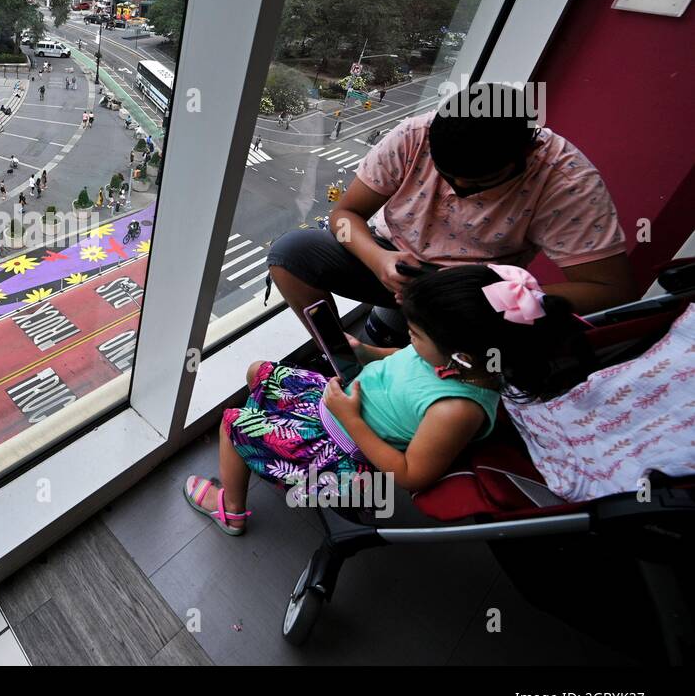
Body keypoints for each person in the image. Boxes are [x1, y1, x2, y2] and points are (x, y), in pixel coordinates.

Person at [184, 264, 590, 535]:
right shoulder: (456, 359)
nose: (407, 338)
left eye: (415, 334)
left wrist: (352, 418)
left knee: (232, 420)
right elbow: (403, 359)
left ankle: (232, 508)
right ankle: (261, 444)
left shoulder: (456, 409)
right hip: (345, 403)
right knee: (259, 370)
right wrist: (363, 352)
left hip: (343, 451)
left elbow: (412, 474)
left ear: (460, 356)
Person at [266, 83, 635, 347]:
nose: (458, 190)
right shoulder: (414, 135)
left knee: (427, 378)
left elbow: (610, 290)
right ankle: (340, 353)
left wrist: (495, 301)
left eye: (478, 184)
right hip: (393, 258)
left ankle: (402, 347)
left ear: (529, 150)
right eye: (446, 176)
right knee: (291, 252)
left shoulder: (566, 181)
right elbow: (345, 215)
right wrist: (379, 260)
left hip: (472, 290)